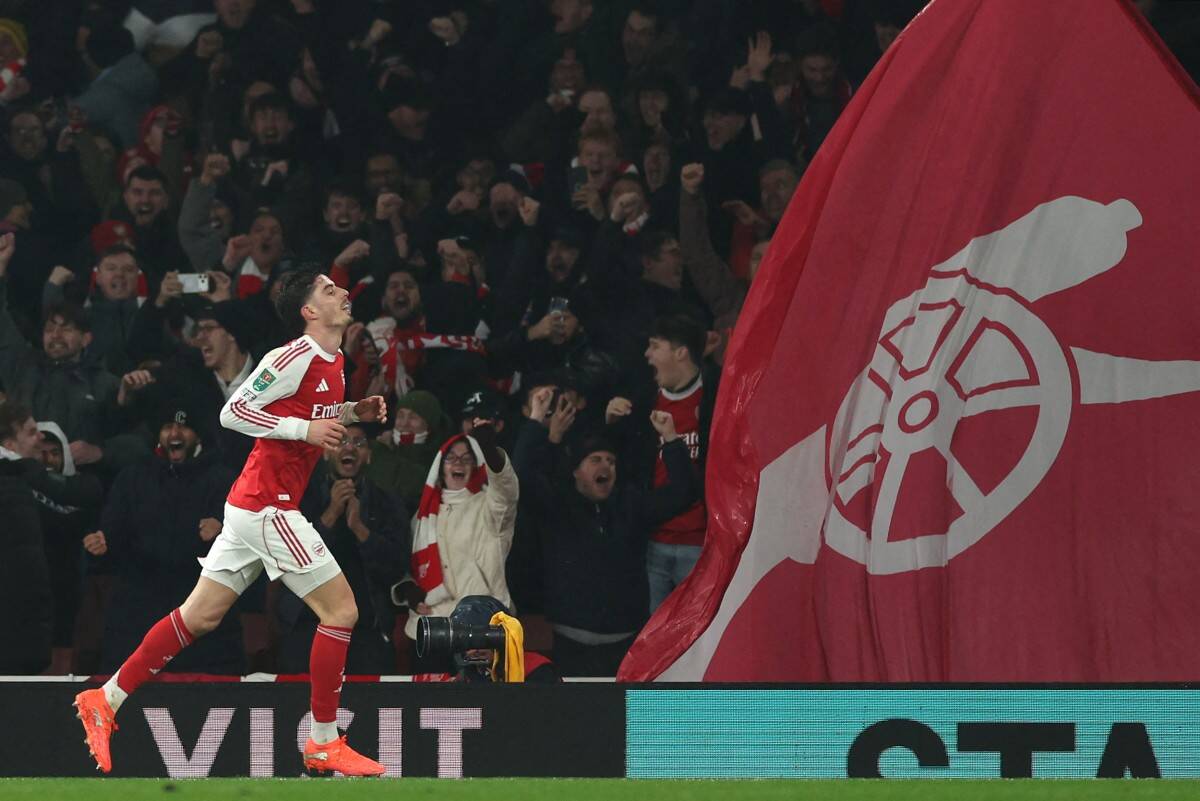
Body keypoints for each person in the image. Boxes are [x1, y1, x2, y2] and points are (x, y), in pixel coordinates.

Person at [74, 269, 389, 777]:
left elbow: (310, 414)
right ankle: (323, 741)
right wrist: (303, 427)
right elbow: (234, 411)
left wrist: (353, 411)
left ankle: (106, 698)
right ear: (309, 311)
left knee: (198, 618)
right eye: (329, 290)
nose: (343, 292)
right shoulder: (293, 356)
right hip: (270, 506)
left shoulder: (333, 361)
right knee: (342, 612)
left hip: (252, 506)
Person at [512, 387, 698, 676]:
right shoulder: (558, 506)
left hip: (626, 646)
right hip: (570, 647)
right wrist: (536, 420)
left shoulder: (631, 505)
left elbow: (683, 493)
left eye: (611, 461)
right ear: (576, 471)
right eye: (595, 460)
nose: (606, 466)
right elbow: (521, 474)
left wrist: (671, 439)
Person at [279, 422, 410, 675]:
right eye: (340, 441)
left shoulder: (387, 503)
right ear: (326, 452)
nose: (349, 447)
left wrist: (360, 529)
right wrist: (329, 517)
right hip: (307, 625)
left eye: (359, 443)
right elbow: (287, 562)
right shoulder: (300, 499)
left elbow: (396, 567)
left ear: (369, 455)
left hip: (366, 630)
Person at [403, 423, 519, 672]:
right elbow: (408, 566)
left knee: (483, 708)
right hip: (431, 629)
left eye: (467, 458)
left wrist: (489, 450)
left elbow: (506, 489)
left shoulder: (490, 507)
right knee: (431, 710)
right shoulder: (421, 516)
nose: (458, 463)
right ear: (440, 467)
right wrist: (406, 589)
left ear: (477, 465)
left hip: (482, 631)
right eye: (452, 458)